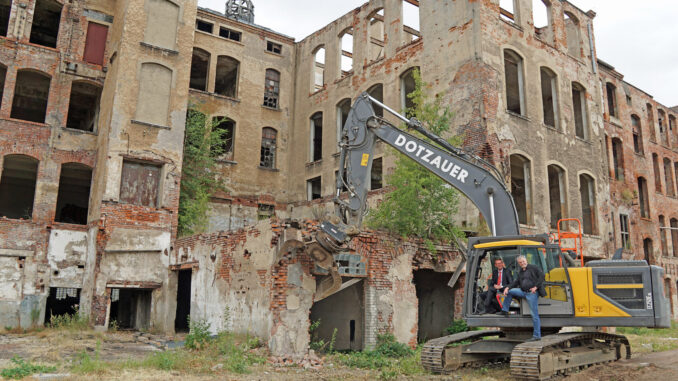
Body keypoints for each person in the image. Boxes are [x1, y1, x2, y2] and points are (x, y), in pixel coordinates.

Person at [496, 255, 545, 341]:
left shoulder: (534, 268)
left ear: (526, 260)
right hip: (523, 292)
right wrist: (507, 288)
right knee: (510, 291)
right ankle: (504, 310)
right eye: (520, 262)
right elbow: (516, 282)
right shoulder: (521, 272)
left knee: (534, 315)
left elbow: (542, 277)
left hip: (532, 293)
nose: (522, 263)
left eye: (523, 261)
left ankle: (537, 336)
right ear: (519, 263)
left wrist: (535, 287)